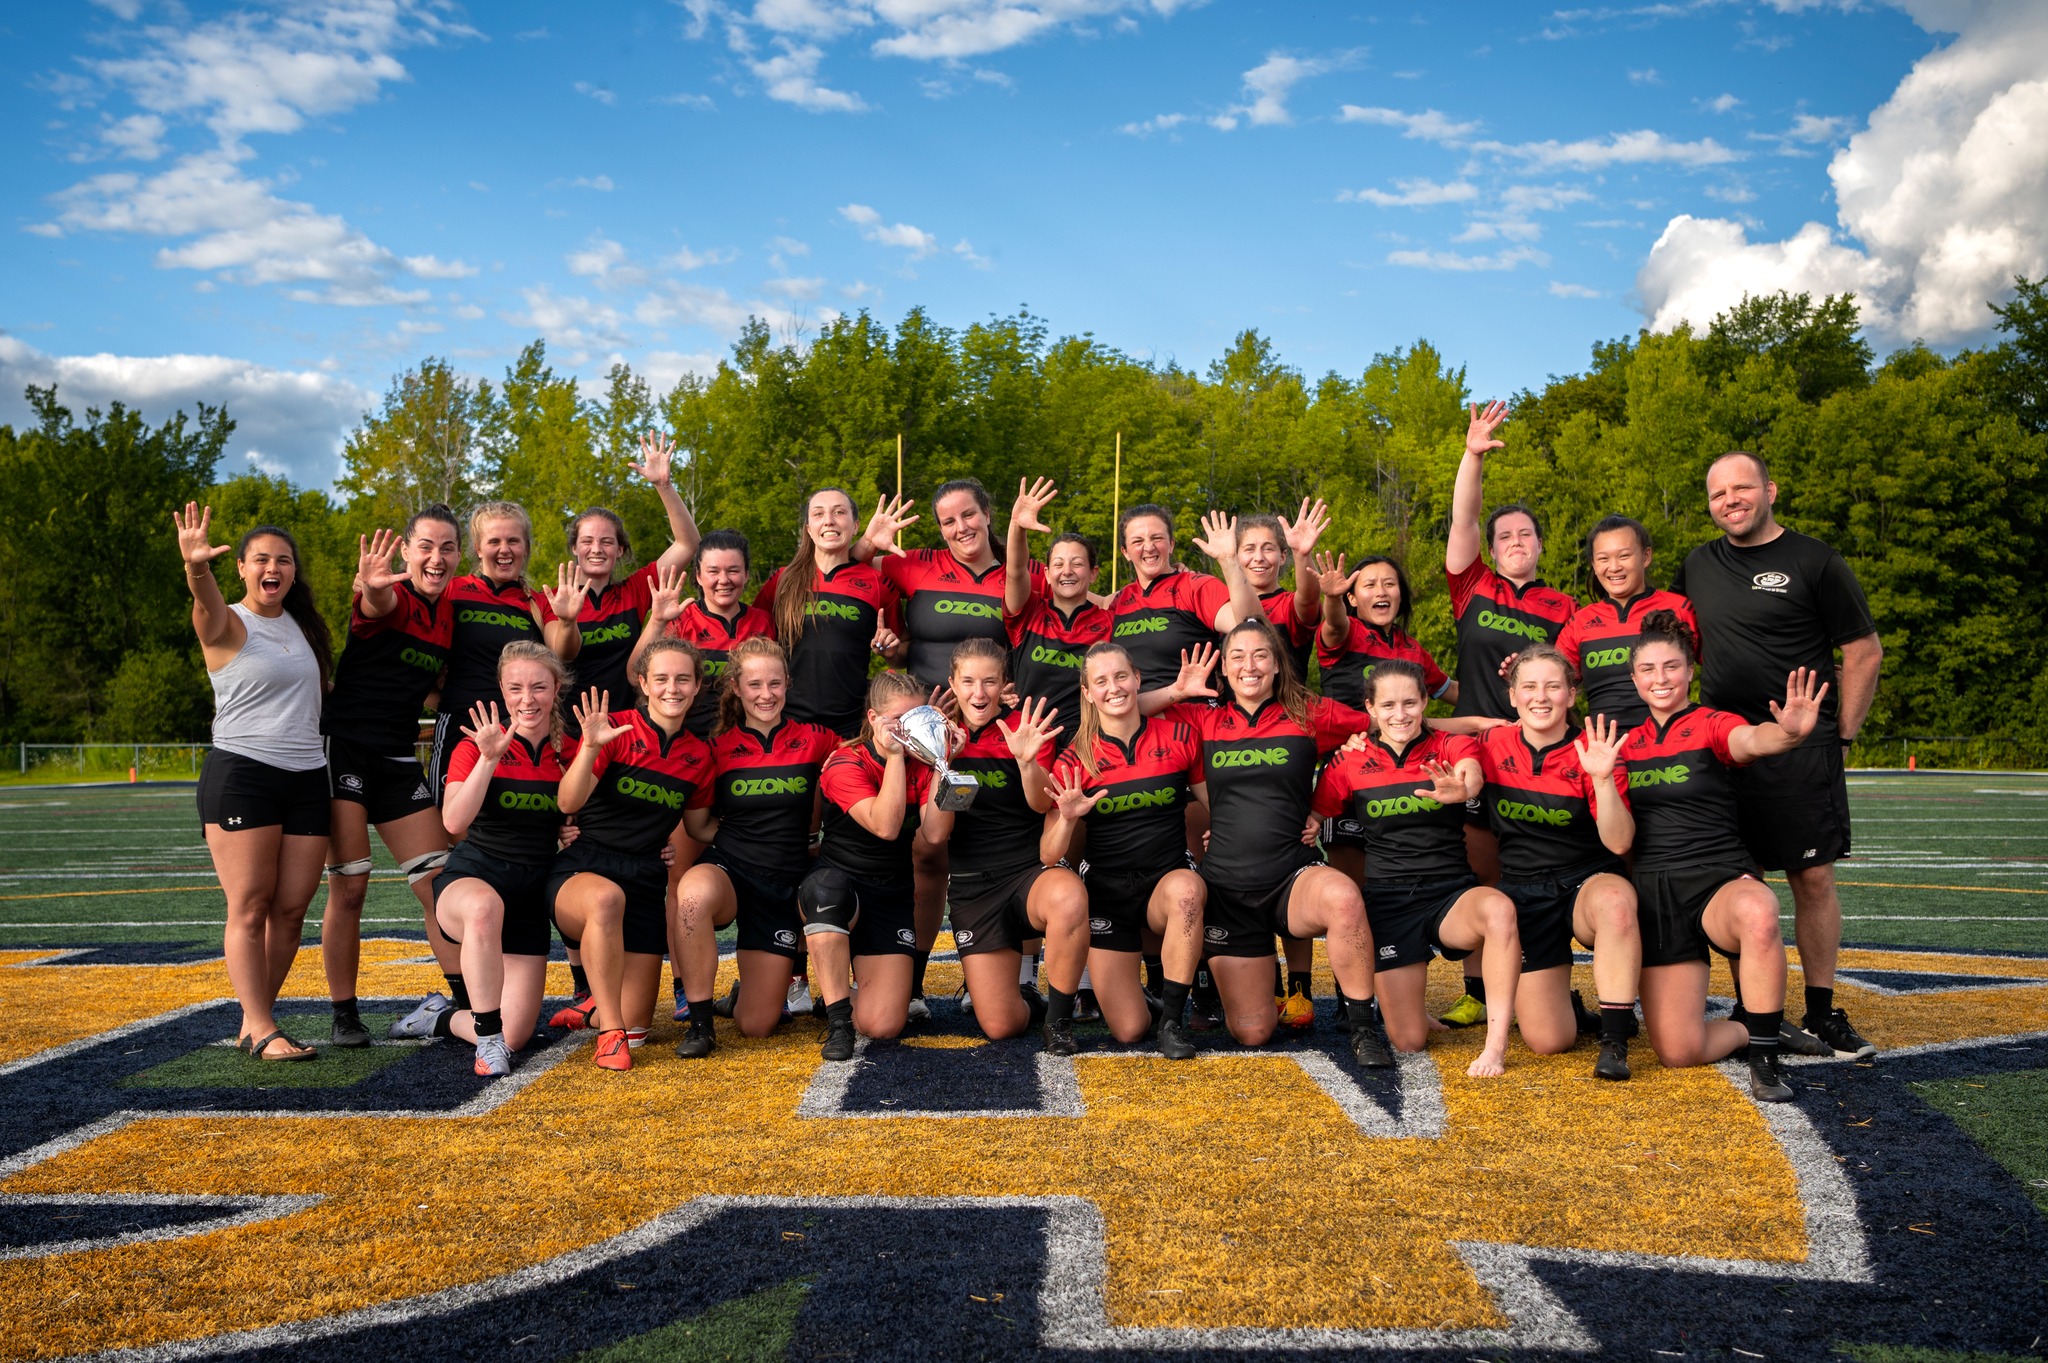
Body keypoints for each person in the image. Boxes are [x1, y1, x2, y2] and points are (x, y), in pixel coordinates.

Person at [1671, 451, 1882, 1061]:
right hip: (1720, 747)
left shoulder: (1816, 560)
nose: (1729, 500)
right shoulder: (1698, 564)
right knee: (1741, 880)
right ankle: (1757, 1012)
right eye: (1717, 493)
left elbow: (1863, 651)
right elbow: (1658, 639)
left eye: (1741, 488)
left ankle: (1820, 1013)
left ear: (1771, 491)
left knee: (1811, 876)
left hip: (1800, 749)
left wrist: (1839, 736)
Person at [1145, 617, 1390, 1066]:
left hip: (1290, 878)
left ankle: (1363, 1029)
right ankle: (1190, 1015)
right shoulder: (1203, 717)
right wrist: (1177, 691)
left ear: (1278, 664)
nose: (1249, 665)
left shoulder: (1308, 713)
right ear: (1225, 668)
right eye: (1237, 656)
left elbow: (1388, 720)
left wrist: (1324, 801)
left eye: (1261, 655)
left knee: (1344, 897)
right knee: (1253, 1032)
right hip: (1227, 888)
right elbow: (1123, 707)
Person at [1621, 609, 1828, 1101]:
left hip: (1717, 880)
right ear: (1634, 679)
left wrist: (1789, 733)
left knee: (1759, 911)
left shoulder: (1711, 722)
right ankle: (1754, 1028)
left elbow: (1752, 739)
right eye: (1648, 670)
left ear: (1690, 670)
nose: (1660, 678)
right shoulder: (1623, 743)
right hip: (1655, 895)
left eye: (1671, 666)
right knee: (1678, 1050)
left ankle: (1764, 1058)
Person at [1310, 660, 1522, 1077]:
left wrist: (1463, 788)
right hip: (1389, 902)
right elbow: (1312, 816)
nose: (1400, 714)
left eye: (1410, 702)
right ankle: (1410, 1008)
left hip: (1450, 895)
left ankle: (1494, 1047)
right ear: (1370, 708)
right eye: (1388, 704)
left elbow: (1471, 772)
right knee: (1407, 1041)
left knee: (1499, 909)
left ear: (1425, 702)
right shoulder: (1350, 760)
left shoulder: (1447, 745)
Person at [178, 506, 332, 1063]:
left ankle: (254, 1019)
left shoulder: (302, 625)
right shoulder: (227, 621)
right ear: (241, 567)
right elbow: (204, 602)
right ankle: (264, 1028)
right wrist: (197, 568)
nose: (273, 568)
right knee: (250, 905)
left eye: (283, 561)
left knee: (292, 910)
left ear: (294, 572)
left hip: (309, 776)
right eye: (261, 559)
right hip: (245, 775)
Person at [1441, 400, 1576, 1029]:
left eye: (1526, 534)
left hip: (1540, 753)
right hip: (1478, 749)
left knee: (1541, 863)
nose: (1515, 542)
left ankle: (1559, 980)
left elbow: (1579, 677)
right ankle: (1478, 984)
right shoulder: (1474, 587)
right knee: (1479, 868)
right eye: (1505, 536)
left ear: (1541, 545)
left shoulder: (1566, 606)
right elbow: (1463, 515)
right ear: (1490, 549)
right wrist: (1472, 455)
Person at [320, 508, 460, 1048]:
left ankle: (464, 1000)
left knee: (437, 885)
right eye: (426, 545)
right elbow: (375, 603)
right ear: (405, 550)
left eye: (447, 547)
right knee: (351, 885)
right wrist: (374, 587)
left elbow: (431, 686)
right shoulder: (390, 596)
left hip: (398, 757)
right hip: (347, 751)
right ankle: (344, 1011)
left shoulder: (451, 608)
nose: (436, 557)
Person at [671, 637, 842, 1054]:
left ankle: (737, 998)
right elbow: (697, 826)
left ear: (787, 683)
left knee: (757, 1025)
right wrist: (743, 840)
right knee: (691, 897)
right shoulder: (716, 750)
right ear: (736, 688)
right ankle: (700, 1023)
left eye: (774, 684)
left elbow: (868, 755)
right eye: (754, 685)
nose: (765, 695)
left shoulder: (817, 739)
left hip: (782, 885)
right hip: (731, 870)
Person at [1477, 646, 1640, 1080]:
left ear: (1571, 693)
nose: (1540, 697)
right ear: (1512, 697)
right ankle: (1571, 1006)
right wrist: (1371, 730)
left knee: (1616, 903)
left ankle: (1615, 1040)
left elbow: (1621, 842)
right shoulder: (1493, 742)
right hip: (1525, 890)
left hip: (1586, 881)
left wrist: (1602, 779)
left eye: (1553, 686)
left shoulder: (1595, 748)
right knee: (1549, 1041)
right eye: (1529, 686)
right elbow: (1427, 727)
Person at [551, 642, 714, 1069]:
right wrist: (589, 747)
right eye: (661, 678)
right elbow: (567, 800)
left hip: (644, 877)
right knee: (606, 899)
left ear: (697, 686)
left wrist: (766, 831)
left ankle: (592, 1012)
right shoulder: (616, 729)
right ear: (643, 682)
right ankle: (608, 1034)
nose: (672, 688)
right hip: (584, 868)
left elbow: (698, 828)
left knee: (638, 1028)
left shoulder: (698, 755)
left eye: (683, 679)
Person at [1040, 643, 1205, 1059]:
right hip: (1107, 894)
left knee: (1188, 891)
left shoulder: (1181, 736)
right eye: (1101, 681)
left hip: (1163, 885)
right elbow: (1048, 853)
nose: (1113, 688)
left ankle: (1172, 1022)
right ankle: (1146, 1006)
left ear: (1137, 680)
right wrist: (1068, 817)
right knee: (1129, 1030)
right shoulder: (1075, 757)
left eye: (1120, 677)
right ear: (1087, 692)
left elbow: (1218, 807)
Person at [937, 638, 1092, 1053]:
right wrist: (945, 761)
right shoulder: (937, 736)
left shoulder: (1024, 728)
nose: (979, 692)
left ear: (1005, 683)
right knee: (1001, 1025)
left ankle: (1058, 1022)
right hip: (973, 886)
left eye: (990, 681)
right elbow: (937, 831)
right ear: (953, 683)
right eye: (968, 681)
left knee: (1069, 898)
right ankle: (1024, 996)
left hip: (1026, 876)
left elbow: (1042, 803)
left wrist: (1025, 760)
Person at [432, 643, 576, 1077]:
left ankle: (440, 1017)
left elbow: (584, 814)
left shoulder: (570, 749)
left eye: (539, 687)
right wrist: (489, 758)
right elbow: (454, 821)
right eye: (516, 688)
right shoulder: (480, 741)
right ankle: (487, 1041)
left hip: (529, 894)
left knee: (517, 1034)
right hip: (473, 878)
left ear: (556, 689)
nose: (527, 699)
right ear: (501, 688)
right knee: (483, 907)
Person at [799, 671, 958, 1061]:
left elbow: (936, 835)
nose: (907, 732)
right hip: (841, 890)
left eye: (915, 720)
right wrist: (894, 757)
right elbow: (887, 826)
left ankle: (846, 994)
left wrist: (943, 760)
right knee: (826, 892)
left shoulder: (923, 761)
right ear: (873, 719)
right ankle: (838, 1022)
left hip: (890, 892)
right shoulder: (844, 760)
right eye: (896, 723)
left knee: (884, 1024)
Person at [430, 501, 583, 795]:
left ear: (525, 547)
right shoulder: (453, 589)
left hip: (518, 730)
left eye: (513, 540)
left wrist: (568, 620)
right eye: (494, 541)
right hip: (460, 724)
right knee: (451, 823)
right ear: (477, 547)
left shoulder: (538, 602)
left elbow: (563, 652)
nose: (504, 549)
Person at [562, 432, 703, 711]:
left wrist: (664, 486)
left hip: (628, 724)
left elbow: (688, 544)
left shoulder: (636, 589)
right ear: (575, 549)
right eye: (587, 541)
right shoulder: (557, 599)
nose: (597, 549)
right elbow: (560, 657)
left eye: (607, 542)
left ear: (620, 550)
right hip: (569, 728)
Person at [755, 488, 904, 738]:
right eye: (819, 513)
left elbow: (900, 656)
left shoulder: (879, 584)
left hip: (851, 727)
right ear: (808, 528)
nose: (829, 520)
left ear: (856, 526)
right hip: (786, 722)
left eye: (839, 512)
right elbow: (753, 644)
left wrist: (891, 651)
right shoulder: (782, 580)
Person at [1108, 505, 1263, 704]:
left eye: (1157, 538)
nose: (1149, 547)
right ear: (1125, 552)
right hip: (1138, 724)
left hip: (1191, 720)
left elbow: (1249, 624)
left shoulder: (1195, 586)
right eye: (1137, 541)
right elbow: (1072, 595)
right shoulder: (1119, 600)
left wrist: (1229, 560)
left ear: (1171, 544)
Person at [1556, 515, 1698, 731]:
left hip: (1674, 746)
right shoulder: (1580, 622)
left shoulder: (1679, 608)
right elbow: (1552, 686)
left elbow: (1721, 670)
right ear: (1594, 565)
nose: (1614, 567)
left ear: (1646, 556)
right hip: (1607, 752)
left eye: (1624, 556)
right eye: (1603, 559)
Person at [631, 532, 774, 743]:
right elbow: (635, 676)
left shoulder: (764, 622)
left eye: (733, 570)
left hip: (746, 745)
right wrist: (657, 621)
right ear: (698, 575)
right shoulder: (680, 620)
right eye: (713, 571)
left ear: (746, 575)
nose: (723, 580)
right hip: (689, 744)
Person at [1002, 478, 1112, 749]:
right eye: (1059, 564)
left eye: (1077, 564)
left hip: (1085, 745)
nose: (1067, 571)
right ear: (1048, 575)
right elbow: (1015, 570)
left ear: (1093, 573)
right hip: (1027, 742)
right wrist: (1016, 527)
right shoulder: (1028, 613)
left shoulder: (1110, 622)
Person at [1236, 501, 1330, 686]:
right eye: (1249, 549)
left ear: (1283, 556)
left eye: (1268, 548)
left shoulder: (1288, 605)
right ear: (1236, 557)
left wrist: (1302, 554)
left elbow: (1309, 598)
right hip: (1233, 713)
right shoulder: (1223, 606)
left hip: (1286, 712)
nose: (1259, 557)